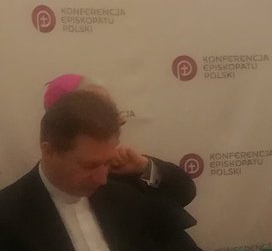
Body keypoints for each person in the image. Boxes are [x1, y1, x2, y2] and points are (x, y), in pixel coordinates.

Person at [0, 89, 210, 251]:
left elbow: (182, 193)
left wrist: (143, 166)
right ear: (49, 151)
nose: (101, 178)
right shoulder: (9, 213)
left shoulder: (121, 194)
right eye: (89, 166)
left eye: (107, 163)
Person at [42, 73, 197, 212]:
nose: (120, 120)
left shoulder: (126, 164)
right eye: (100, 112)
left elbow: (185, 193)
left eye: (113, 109)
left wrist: (145, 167)